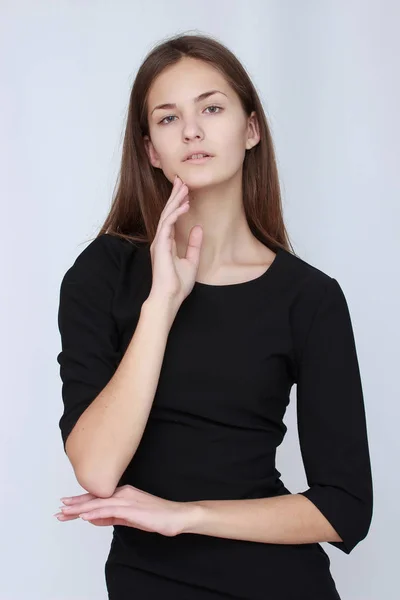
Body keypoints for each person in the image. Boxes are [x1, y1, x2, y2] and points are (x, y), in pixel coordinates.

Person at [55, 33, 373, 600]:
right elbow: (98, 472)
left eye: (212, 108)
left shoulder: (311, 298)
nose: (193, 131)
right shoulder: (105, 272)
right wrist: (161, 304)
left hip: (279, 583)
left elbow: (344, 508)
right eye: (168, 118)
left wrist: (186, 515)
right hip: (147, 580)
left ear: (250, 129)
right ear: (151, 148)